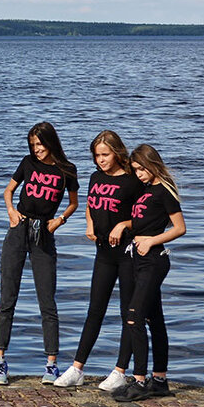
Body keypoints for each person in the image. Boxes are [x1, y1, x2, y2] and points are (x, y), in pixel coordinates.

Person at [54, 131, 144, 390]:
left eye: (105, 155)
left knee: (128, 311)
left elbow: (146, 214)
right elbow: (91, 204)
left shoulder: (132, 180)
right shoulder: (96, 176)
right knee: (95, 309)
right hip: (104, 252)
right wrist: (89, 223)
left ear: (117, 152)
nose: (100, 160)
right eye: (97, 155)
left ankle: (120, 370)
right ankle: (77, 368)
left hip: (128, 251)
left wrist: (123, 225)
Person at [0, 122, 79, 385]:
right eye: (33, 145)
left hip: (45, 233)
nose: (37, 150)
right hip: (19, 229)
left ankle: (51, 365)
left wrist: (60, 220)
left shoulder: (67, 170)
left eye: (40, 145)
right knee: (7, 298)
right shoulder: (27, 163)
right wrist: (10, 211)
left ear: (51, 143)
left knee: (47, 302)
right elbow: (8, 191)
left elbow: (74, 202)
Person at [112, 143, 185, 402]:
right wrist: (123, 224)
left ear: (153, 164)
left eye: (142, 169)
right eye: (136, 170)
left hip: (154, 260)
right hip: (137, 258)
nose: (140, 174)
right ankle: (160, 380)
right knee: (155, 320)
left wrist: (151, 240)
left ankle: (140, 380)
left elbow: (179, 228)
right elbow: (143, 220)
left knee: (134, 316)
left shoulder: (164, 191)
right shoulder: (145, 190)